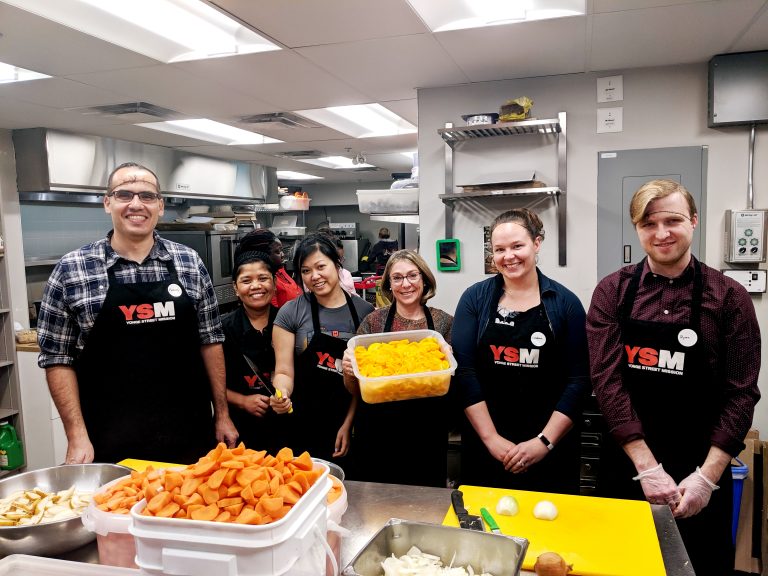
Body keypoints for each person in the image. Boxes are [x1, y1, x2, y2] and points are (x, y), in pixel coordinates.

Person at [586, 179, 761, 576]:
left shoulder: (729, 298)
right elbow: (607, 381)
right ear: (637, 229)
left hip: (698, 469)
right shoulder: (611, 292)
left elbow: (741, 394)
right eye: (649, 224)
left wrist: (706, 478)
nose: (661, 233)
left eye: (673, 220)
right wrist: (647, 468)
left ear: (693, 221)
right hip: (629, 466)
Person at [37, 162, 238, 464]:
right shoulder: (72, 269)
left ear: (160, 205)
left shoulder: (189, 262)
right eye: (124, 195)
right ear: (107, 203)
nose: (135, 204)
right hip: (108, 437)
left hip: (189, 431)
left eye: (146, 196)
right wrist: (76, 434)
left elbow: (210, 342)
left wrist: (222, 414)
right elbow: (57, 359)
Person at [452, 208, 589, 494]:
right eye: (499, 249)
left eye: (518, 246)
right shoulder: (474, 299)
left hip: (550, 449)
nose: (508, 256)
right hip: (486, 445)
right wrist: (491, 439)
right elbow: (464, 372)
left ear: (537, 243)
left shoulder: (565, 304)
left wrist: (543, 442)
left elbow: (578, 381)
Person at [342, 249, 454, 486]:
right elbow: (355, 388)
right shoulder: (374, 321)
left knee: (426, 500)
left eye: (412, 276)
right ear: (389, 285)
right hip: (379, 433)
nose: (406, 284)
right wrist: (349, 371)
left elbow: (453, 381)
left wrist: (451, 359)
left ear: (424, 279)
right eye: (397, 278)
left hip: (426, 433)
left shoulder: (443, 322)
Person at [270, 233, 374, 465]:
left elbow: (365, 381)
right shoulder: (290, 312)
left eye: (320, 267)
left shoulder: (365, 313)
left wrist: (348, 424)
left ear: (337, 264)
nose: (314, 276)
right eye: (306, 271)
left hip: (347, 422)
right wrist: (281, 394)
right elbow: (284, 371)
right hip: (301, 421)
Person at [221, 250, 283, 455]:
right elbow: (208, 382)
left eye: (263, 278)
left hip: (285, 429)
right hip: (240, 429)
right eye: (246, 280)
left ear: (274, 284)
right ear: (236, 288)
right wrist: (243, 401)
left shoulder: (288, 323)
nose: (256, 286)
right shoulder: (222, 329)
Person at [237, 229, 302, 308]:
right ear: (264, 255)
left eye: (282, 250)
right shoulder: (267, 283)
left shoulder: (280, 270)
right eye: (277, 252)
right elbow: (273, 313)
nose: (283, 255)